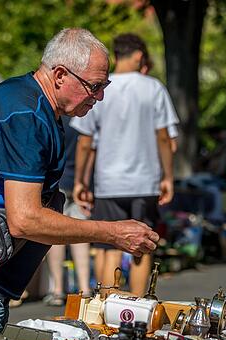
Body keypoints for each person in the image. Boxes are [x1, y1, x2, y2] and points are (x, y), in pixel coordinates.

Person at [0, 28, 159, 340]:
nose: (99, 96)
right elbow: (25, 219)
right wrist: (112, 232)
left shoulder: (28, 101)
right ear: (60, 74)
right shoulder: (26, 114)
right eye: (95, 85)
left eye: (105, 85)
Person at [71, 33, 177, 295]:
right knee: (142, 245)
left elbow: (86, 142)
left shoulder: (99, 88)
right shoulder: (153, 88)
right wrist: (168, 176)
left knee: (107, 246)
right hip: (145, 180)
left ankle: (107, 304)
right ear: (139, 56)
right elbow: (164, 136)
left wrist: (80, 181)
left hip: (108, 182)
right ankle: (139, 306)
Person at [44, 116, 92, 306]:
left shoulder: (55, 119)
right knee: (81, 234)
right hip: (81, 182)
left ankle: (57, 289)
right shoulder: (85, 120)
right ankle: (84, 288)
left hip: (58, 181)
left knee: (56, 236)